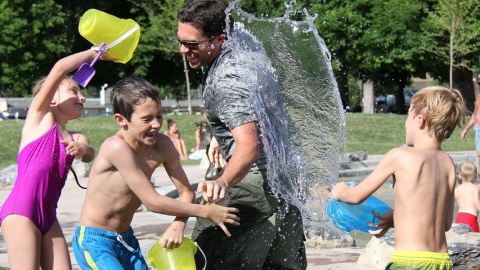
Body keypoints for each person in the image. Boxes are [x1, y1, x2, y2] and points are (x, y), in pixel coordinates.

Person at [177, 1, 307, 269]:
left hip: (252, 184)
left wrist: (223, 181)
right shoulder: (247, 47)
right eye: (180, 41)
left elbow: (249, 147)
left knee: (206, 256)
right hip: (285, 180)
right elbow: (257, 110)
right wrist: (220, 133)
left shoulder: (226, 81)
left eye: (192, 43)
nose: (182, 50)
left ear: (220, 38)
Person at [72, 76, 240, 270]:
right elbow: (152, 202)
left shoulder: (163, 146)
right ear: (121, 119)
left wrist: (178, 224)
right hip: (96, 241)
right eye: (146, 119)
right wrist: (206, 212)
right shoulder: (116, 147)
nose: (156, 124)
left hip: (126, 239)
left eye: (159, 116)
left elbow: (186, 192)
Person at [332, 86, 466, 269]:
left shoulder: (400, 156)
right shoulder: (448, 163)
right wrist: (394, 216)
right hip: (441, 262)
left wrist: (340, 192)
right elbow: (444, 223)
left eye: (407, 117)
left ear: (420, 120)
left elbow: (355, 196)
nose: (405, 124)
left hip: (409, 262)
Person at [0, 50, 99, 269]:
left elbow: (90, 153)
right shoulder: (40, 119)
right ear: (52, 97)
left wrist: (83, 149)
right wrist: (93, 53)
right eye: (74, 91)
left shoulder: (76, 137)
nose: (82, 97)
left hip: (49, 217)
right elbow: (60, 68)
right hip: (20, 213)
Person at [460, 74, 480, 167]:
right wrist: (465, 129)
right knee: (479, 155)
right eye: (479, 82)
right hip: (478, 128)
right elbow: (474, 115)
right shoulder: (479, 97)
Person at [454, 161, 480, 232]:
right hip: (471, 218)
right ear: (476, 176)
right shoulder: (476, 188)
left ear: (459, 175)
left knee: (460, 240)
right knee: (474, 240)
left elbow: (449, 202)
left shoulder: (457, 189)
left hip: (459, 217)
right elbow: (476, 202)